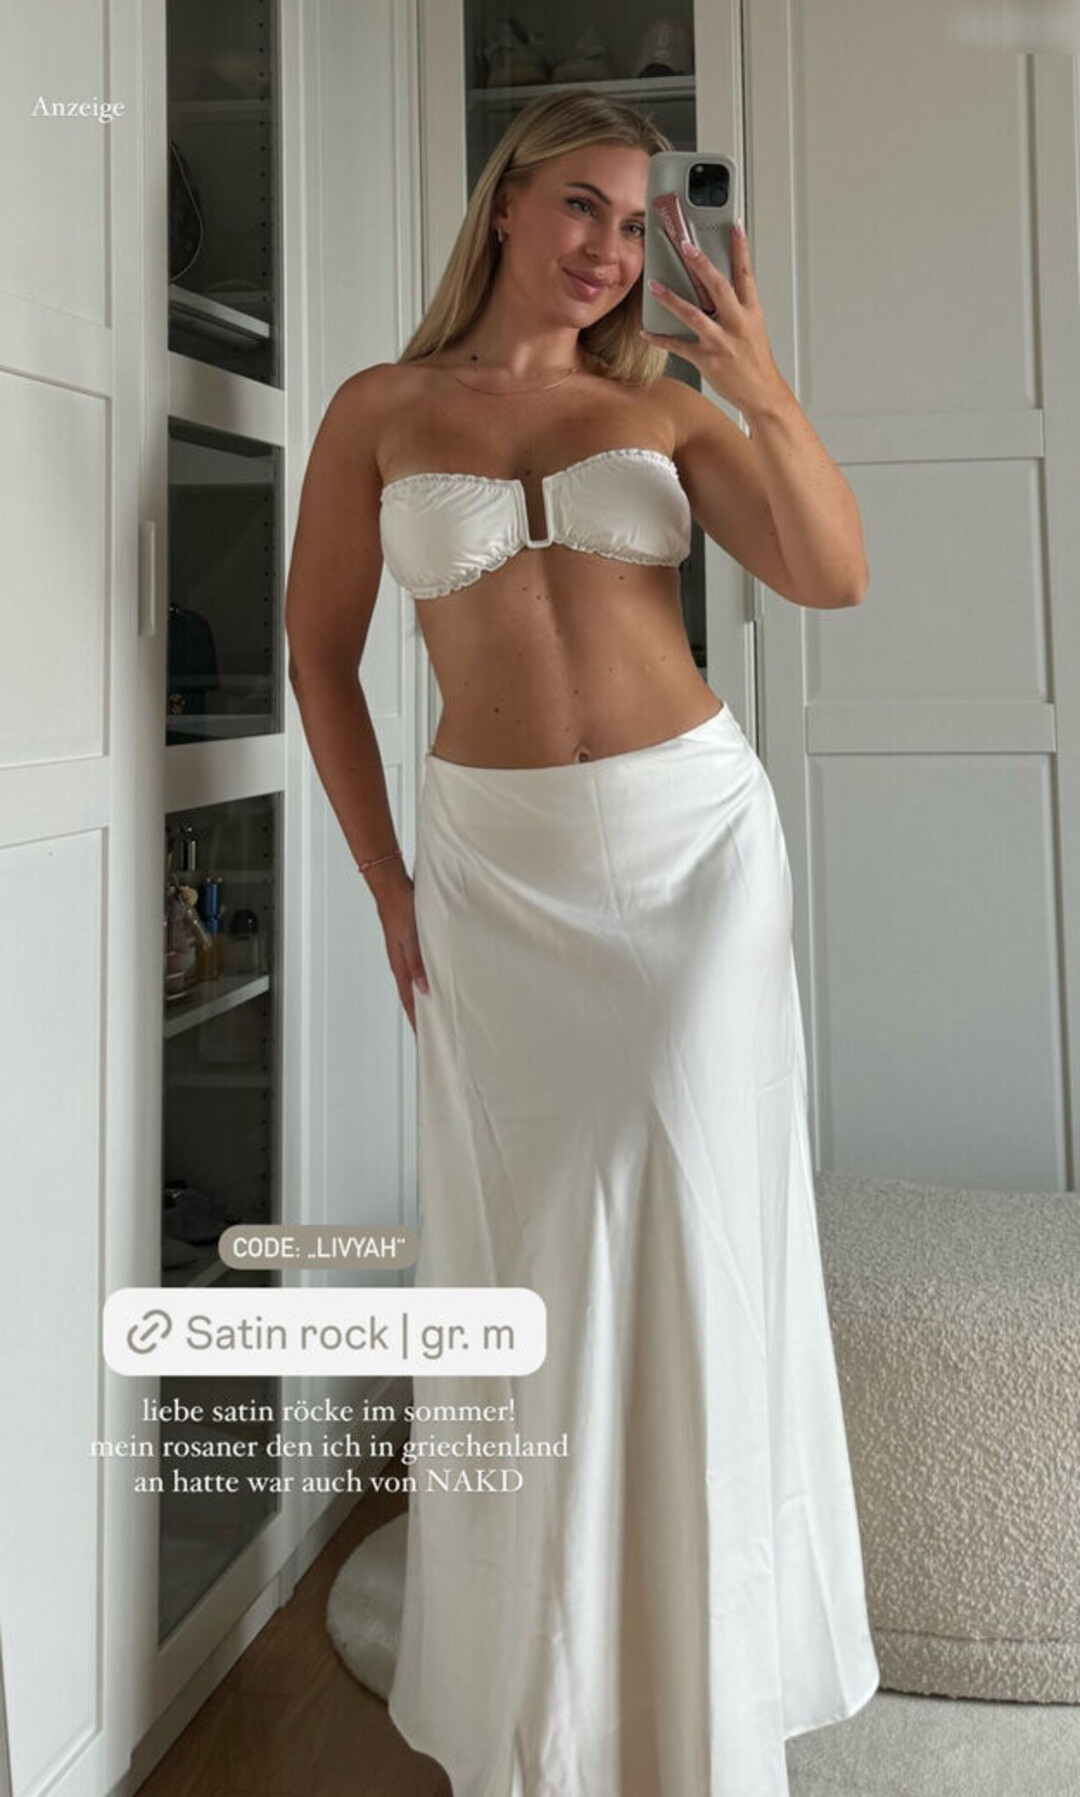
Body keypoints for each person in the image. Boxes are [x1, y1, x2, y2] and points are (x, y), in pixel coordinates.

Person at [286, 89, 879, 1797]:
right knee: (531, 1245)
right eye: (582, 209)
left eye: (637, 225)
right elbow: (321, 653)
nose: (611, 251)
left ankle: (704, 1681)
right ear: (504, 204)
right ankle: (553, 1693)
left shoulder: (667, 407)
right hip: (497, 871)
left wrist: (755, 375)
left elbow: (832, 573)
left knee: (687, 1226)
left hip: (693, 853)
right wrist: (390, 883)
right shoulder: (379, 410)